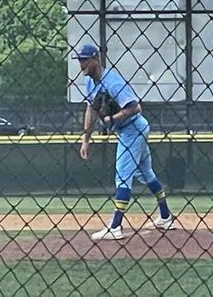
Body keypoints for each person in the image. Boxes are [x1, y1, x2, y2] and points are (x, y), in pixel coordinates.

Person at [73, 43, 175, 240]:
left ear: (96, 60)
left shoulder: (112, 82)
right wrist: (86, 140)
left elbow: (136, 108)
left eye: (85, 60)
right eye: (79, 60)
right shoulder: (89, 82)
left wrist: (112, 119)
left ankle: (116, 226)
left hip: (133, 129)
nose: (81, 64)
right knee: (145, 173)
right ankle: (165, 216)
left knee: (122, 175)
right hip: (131, 130)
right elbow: (91, 111)